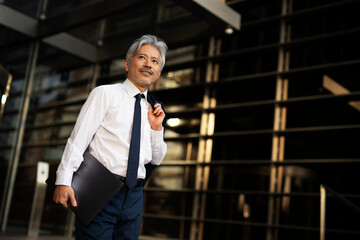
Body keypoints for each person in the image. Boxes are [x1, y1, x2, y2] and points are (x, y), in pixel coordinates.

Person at [53, 35, 168, 240]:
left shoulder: (153, 110)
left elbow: (156, 159)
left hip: (134, 196)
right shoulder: (105, 94)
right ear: (127, 63)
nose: (148, 64)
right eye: (142, 57)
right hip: (101, 189)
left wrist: (156, 129)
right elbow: (78, 139)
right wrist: (63, 180)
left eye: (154, 61)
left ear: (158, 73)